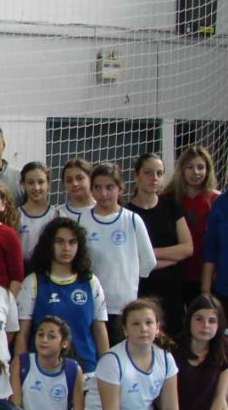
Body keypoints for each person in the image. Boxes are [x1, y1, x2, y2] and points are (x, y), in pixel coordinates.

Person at [14, 218, 110, 406]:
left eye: (72, 242)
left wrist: (107, 368)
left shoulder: (90, 282)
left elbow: (100, 330)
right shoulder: (33, 282)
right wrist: (21, 373)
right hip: (43, 374)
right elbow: (22, 334)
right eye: (59, 241)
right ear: (49, 245)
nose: (66, 248)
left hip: (87, 372)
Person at [78, 163, 156, 341]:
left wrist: (129, 280)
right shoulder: (83, 220)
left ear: (120, 189)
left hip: (123, 305)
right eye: (97, 187)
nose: (103, 193)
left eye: (109, 187)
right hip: (92, 303)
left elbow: (149, 260)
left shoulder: (132, 219)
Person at [128, 152, 192, 334]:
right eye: (148, 173)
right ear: (137, 175)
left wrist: (149, 254)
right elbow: (132, 260)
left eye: (159, 173)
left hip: (172, 289)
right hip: (142, 289)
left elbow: (187, 248)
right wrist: (172, 258)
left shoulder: (171, 206)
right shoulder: (127, 213)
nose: (154, 178)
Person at [172, 295, 228, 410]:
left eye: (212, 321)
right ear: (189, 320)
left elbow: (219, 398)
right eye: (199, 319)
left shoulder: (224, 348)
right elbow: (164, 402)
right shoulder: (173, 349)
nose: (205, 326)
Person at [167, 144, 219, 308]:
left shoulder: (217, 201)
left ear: (208, 170)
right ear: (181, 169)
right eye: (190, 167)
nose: (195, 172)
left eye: (200, 167)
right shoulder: (168, 199)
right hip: (175, 273)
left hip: (208, 276)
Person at [16, 162, 58, 261]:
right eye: (30, 183)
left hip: (48, 266)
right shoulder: (16, 214)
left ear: (48, 184)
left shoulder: (56, 215)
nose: (36, 187)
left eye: (41, 182)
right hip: (23, 267)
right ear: (23, 185)